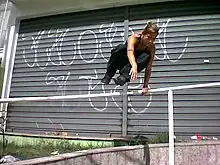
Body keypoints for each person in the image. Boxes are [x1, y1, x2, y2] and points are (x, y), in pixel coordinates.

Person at [101, 22, 159, 95]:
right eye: (148, 37)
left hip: (129, 67)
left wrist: (145, 86)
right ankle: (109, 74)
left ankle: (124, 77)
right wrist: (134, 65)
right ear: (143, 34)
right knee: (119, 48)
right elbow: (130, 52)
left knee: (146, 57)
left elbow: (148, 67)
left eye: (153, 39)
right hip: (122, 60)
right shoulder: (134, 38)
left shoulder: (151, 48)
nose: (150, 41)